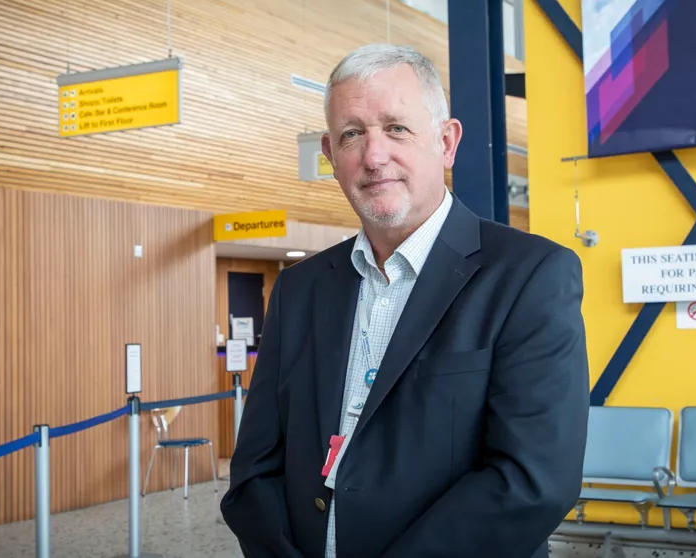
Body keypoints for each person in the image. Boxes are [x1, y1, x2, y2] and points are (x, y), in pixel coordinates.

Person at [220, 43, 589, 558]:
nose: (373, 156)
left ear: (446, 142)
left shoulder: (529, 276)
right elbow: (255, 469)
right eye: (352, 134)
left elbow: (532, 482)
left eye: (396, 128)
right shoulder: (298, 290)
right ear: (330, 154)